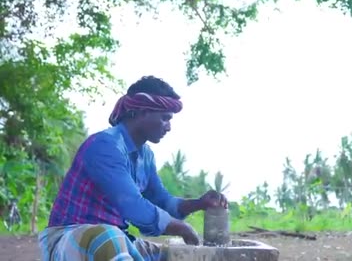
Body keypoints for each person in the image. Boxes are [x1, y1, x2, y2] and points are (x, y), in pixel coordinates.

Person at [38, 76, 228, 261]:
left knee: (175, 256)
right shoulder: (105, 145)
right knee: (108, 237)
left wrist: (199, 204)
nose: (168, 127)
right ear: (143, 112)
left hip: (118, 239)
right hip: (69, 238)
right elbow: (134, 207)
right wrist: (182, 228)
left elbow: (162, 201)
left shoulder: (145, 155)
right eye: (164, 118)